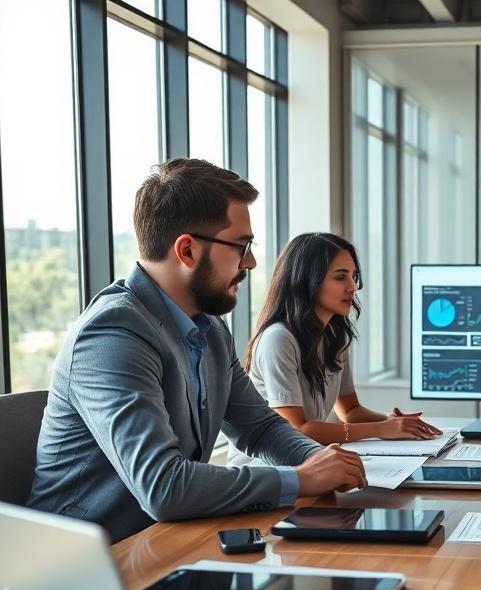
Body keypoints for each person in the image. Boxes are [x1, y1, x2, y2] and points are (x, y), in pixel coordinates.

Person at [29, 159, 367, 543]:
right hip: (93, 564)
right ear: (187, 250)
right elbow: (164, 486)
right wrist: (299, 478)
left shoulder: (209, 329)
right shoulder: (112, 334)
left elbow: (260, 427)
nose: (252, 262)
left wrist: (321, 462)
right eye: (242, 246)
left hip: (165, 541)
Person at [228, 232, 441, 467]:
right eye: (340, 277)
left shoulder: (333, 337)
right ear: (307, 281)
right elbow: (296, 429)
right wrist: (381, 428)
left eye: (354, 276)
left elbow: (350, 410)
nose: (352, 287)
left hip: (307, 461)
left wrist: (395, 424)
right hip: (264, 470)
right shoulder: (279, 339)